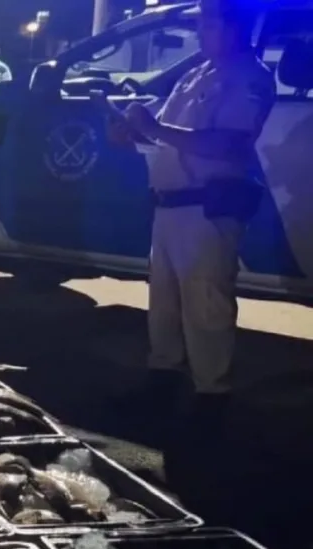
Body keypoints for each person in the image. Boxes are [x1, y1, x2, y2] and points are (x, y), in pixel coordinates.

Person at [110, 0, 274, 423]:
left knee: (205, 308)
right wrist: (134, 135)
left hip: (206, 208)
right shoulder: (196, 74)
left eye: (210, 23)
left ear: (235, 27)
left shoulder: (249, 78)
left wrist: (154, 127)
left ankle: (212, 398)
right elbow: (166, 139)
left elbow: (230, 143)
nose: (201, 31)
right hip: (169, 206)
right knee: (164, 306)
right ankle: (162, 384)